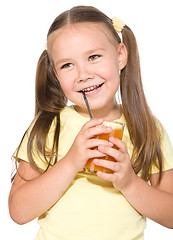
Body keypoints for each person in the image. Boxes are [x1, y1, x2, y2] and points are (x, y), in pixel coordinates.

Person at [9, 5, 173, 240]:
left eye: (93, 57)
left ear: (120, 55)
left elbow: (170, 216)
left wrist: (128, 183)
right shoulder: (48, 127)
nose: (83, 74)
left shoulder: (147, 128)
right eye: (67, 65)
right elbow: (18, 211)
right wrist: (70, 162)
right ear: (56, 74)